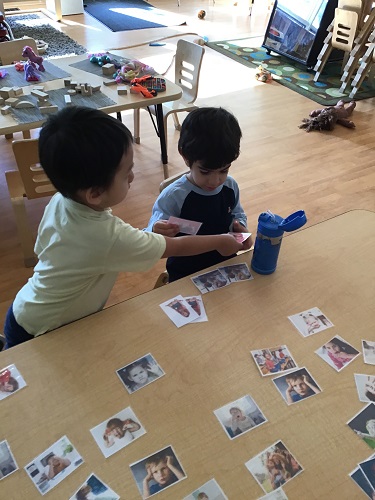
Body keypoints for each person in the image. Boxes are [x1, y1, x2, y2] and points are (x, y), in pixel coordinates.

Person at [3, 107, 246, 349]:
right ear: (95, 193)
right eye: (127, 171)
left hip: (27, 309)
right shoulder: (108, 236)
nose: (133, 176)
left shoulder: (61, 200)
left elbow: (43, 247)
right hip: (43, 331)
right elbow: (176, 246)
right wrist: (219, 241)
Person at [145, 107, 252, 282]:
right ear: (185, 157)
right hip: (185, 273)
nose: (215, 181)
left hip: (225, 267)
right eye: (205, 171)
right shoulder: (174, 196)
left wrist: (241, 231)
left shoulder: (230, 186)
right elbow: (150, 236)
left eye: (224, 170)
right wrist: (156, 229)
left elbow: (237, 214)